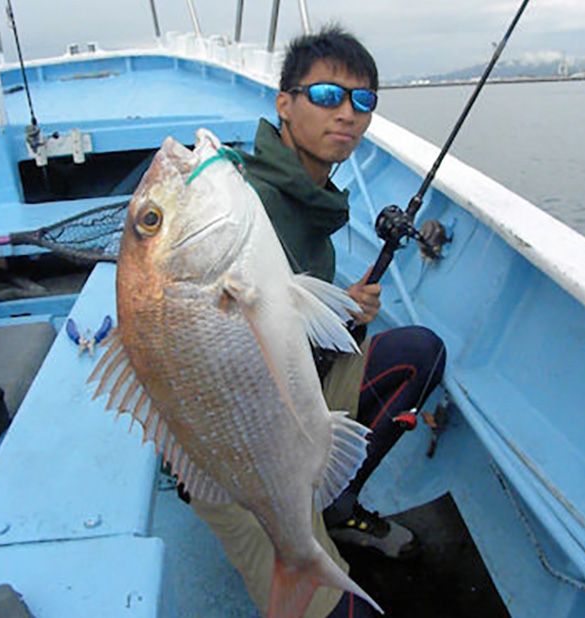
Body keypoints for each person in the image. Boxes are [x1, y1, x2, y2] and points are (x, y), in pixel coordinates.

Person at [190, 25, 446, 618]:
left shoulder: (315, 197)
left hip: (289, 393)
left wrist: (341, 311)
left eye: (363, 101)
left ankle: (333, 500)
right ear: (284, 103)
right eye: (327, 96)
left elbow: (279, 325)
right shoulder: (241, 199)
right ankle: (293, 530)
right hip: (233, 448)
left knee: (419, 351)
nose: (348, 115)